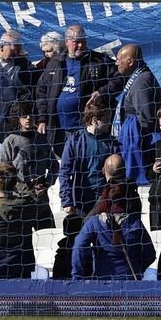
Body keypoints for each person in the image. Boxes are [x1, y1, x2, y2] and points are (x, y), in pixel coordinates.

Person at [54, 101, 118, 279]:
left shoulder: (112, 143)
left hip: (104, 201)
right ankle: (78, 276)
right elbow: (65, 172)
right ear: (95, 120)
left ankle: (101, 277)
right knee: (79, 242)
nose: (109, 122)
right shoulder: (75, 140)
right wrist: (67, 200)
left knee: (102, 241)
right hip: (81, 201)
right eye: (106, 119)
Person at [35, 24, 118, 151]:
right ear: (67, 42)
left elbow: (120, 78)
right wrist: (42, 119)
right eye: (76, 42)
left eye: (83, 41)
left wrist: (101, 92)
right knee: (64, 165)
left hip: (86, 127)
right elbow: (41, 91)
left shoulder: (98, 61)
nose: (80, 46)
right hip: (59, 129)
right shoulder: (55, 62)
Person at [71, 180, 156, 281]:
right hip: (130, 284)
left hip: (101, 284)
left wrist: (77, 277)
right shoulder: (135, 223)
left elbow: (78, 247)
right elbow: (150, 254)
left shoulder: (94, 222)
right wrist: (137, 269)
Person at [112, 44, 160, 185]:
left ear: (130, 61)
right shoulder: (136, 78)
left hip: (138, 142)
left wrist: (135, 138)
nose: (116, 63)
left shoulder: (142, 81)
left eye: (119, 59)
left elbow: (146, 118)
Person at [0, 101, 55, 186]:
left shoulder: (42, 140)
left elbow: (54, 166)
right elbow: (1, 168)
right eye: (24, 115)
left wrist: (46, 183)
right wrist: (11, 186)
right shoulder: (10, 141)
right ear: (18, 118)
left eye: (31, 114)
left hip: (39, 190)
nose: (28, 118)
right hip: (18, 192)